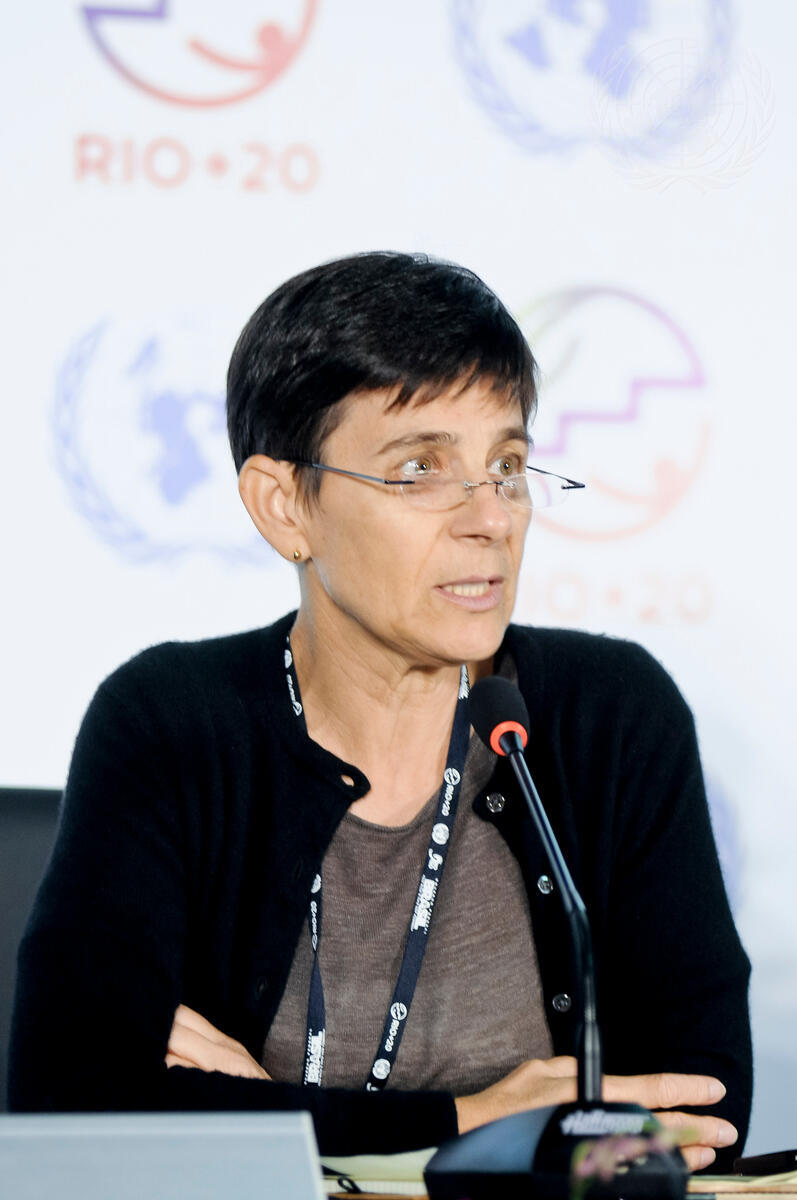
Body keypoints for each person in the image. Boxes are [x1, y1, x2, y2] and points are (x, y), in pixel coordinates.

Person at [9, 252, 751, 1170]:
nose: (491, 518)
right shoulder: (172, 724)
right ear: (285, 506)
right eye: (419, 469)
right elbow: (68, 1105)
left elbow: (699, 1110)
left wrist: (261, 1116)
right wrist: (474, 1120)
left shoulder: (610, 716)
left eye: (506, 465)